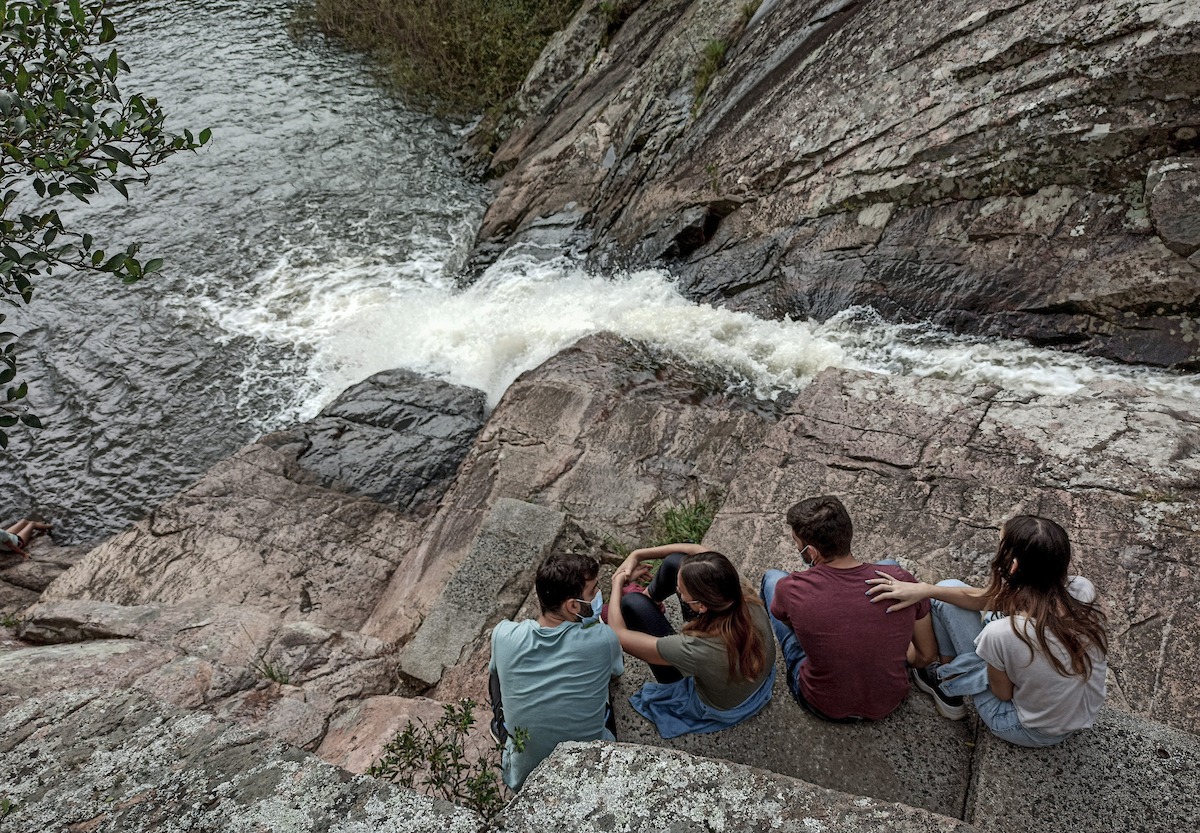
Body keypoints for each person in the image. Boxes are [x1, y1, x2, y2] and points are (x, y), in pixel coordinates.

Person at [865, 515, 1108, 747]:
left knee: (989, 641)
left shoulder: (1003, 633)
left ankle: (944, 681)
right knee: (948, 589)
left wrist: (1003, 661)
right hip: (1073, 718)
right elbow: (992, 600)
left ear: (1013, 566)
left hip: (1023, 727)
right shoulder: (1081, 590)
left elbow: (1002, 694)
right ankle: (951, 675)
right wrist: (926, 590)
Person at [760, 495, 937, 721]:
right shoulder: (902, 581)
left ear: (811, 552)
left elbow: (787, 623)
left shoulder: (790, 588)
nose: (796, 546)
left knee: (771, 579)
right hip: (889, 701)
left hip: (821, 703)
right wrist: (888, 642)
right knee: (889, 565)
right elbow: (926, 655)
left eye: (796, 541)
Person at [608, 543, 776, 738]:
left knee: (631, 603)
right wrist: (637, 554)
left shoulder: (696, 648)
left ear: (701, 606)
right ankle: (652, 602)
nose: (677, 590)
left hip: (726, 704)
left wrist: (617, 583)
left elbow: (619, 633)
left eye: (681, 591)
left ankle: (645, 606)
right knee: (675, 562)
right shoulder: (736, 587)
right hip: (758, 675)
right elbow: (697, 550)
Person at [488, 552, 623, 790]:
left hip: (524, 776)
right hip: (590, 762)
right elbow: (616, 672)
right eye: (592, 592)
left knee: (496, 675)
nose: (597, 596)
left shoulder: (503, 634)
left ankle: (501, 729)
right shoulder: (603, 639)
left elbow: (497, 675)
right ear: (573, 605)